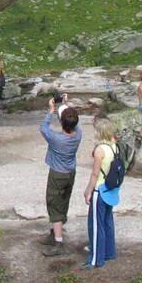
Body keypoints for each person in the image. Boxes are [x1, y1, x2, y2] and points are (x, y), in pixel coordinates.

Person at [41, 96, 83, 254]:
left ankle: (58, 242)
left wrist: (50, 111)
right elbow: (72, 120)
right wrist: (65, 105)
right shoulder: (78, 134)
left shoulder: (56, 138)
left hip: (57, 175)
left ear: (62, 123)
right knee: (63, 202)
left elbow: (43, 127)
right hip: (70, 173)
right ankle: (54, 233)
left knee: (54, 206)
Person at [81, 117, 119, 270]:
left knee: (96, 226)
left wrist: (87, 191)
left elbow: (95, 174)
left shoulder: (99, 150)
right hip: (110, 189)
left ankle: (95, 259)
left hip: (99, 190)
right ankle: (109, 252)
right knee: (108, 221)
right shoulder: (114, 147)